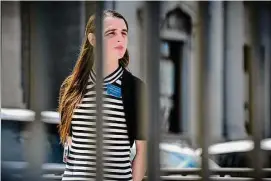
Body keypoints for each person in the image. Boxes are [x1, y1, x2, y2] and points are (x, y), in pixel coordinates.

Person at [58, 10, 147, 181]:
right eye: (111, 33)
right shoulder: (70, 88)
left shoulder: (135, 88)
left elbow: (143, 152)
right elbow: (70, 148)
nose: (120, 38)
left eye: (124, 33)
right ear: (93, 40)